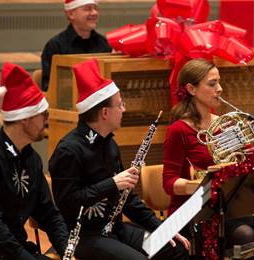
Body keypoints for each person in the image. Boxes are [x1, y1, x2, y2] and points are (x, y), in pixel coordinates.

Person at [49, 58, 190, 260]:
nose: (124, 109)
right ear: (105, 112)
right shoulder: (69, 151)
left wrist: (162, 228)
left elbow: (128, 199)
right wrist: (112, 184)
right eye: (120, 105)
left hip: (115, 229)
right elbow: (67, 203)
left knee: (175, 248)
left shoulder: (110, 144)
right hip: (83, 236)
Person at [162, 58, 254, 253]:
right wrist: (205, 185)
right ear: (191, 89)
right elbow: (169, 183)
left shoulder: (226, 124)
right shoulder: (178, 130)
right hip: (195, 212)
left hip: (230, 207)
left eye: (219, 82)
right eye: (212, 84)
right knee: (244, 234)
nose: (220, 89)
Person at [0, 62, 70, 259]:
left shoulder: (32, 159)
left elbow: (49, 214)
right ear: (25, 119)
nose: (47, 120)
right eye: (43, 114)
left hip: (16, 250)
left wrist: (67, 252)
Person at [41, 0, 111, 91]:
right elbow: (48, 86)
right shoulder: (55, 45)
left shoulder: (104, 43)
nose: (94, 13)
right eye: (88, 9)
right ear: (71, 14)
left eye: (95, 8)